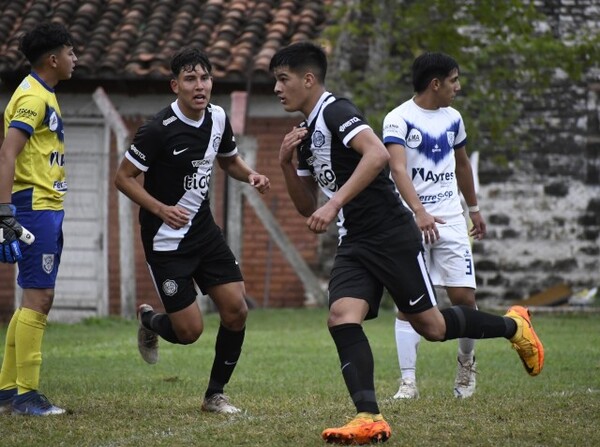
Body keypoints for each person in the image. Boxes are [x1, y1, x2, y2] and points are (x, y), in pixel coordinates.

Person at [270, 41, 544, 445]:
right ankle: (368, 416)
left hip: (391, 235)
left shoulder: (336, 111)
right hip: (356, 242)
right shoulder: (307, 135)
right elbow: (307, 205)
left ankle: (513, 325)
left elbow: (377, 154)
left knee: (431, 327)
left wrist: (337, 204)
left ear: (308, 79)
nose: (277, 88)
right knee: (341, 317)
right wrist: (285, 167)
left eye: (282, 79)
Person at [114, 47, 269, 414]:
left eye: (205, 78)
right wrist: (161, 209)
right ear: (175, 85)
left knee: (236, 310)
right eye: (190, 79)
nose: (200, 86)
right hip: (165, 242)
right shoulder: (156, 130)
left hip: (203, 232)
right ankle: (149, 320)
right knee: (189, 332)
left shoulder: (217, 118)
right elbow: (123, 178)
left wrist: (251, 175)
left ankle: (215, 395)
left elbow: (228, 159)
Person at [382, 52, 485, 400]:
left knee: (464, 299)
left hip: (452, 221)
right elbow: (397, 170)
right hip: (411, 223)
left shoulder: (453, 119)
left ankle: (466, 366)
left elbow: (462, 166)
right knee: (408, 301)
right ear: (435, 83)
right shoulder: (398, 119)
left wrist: (473, 209)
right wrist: (419, 211)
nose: (458, 87)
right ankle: (408, 381)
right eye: (454, 80)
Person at [0, 22, 77, 416]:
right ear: (53, 58)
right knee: (40, 297)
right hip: (33, 207)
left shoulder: (43, 92)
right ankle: (27, 396)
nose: (74, 58)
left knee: (32, 295)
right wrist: (5, 213)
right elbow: (7, 153)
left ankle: (8, 391)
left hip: (46, 206)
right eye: (69, 52)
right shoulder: (32, 97)